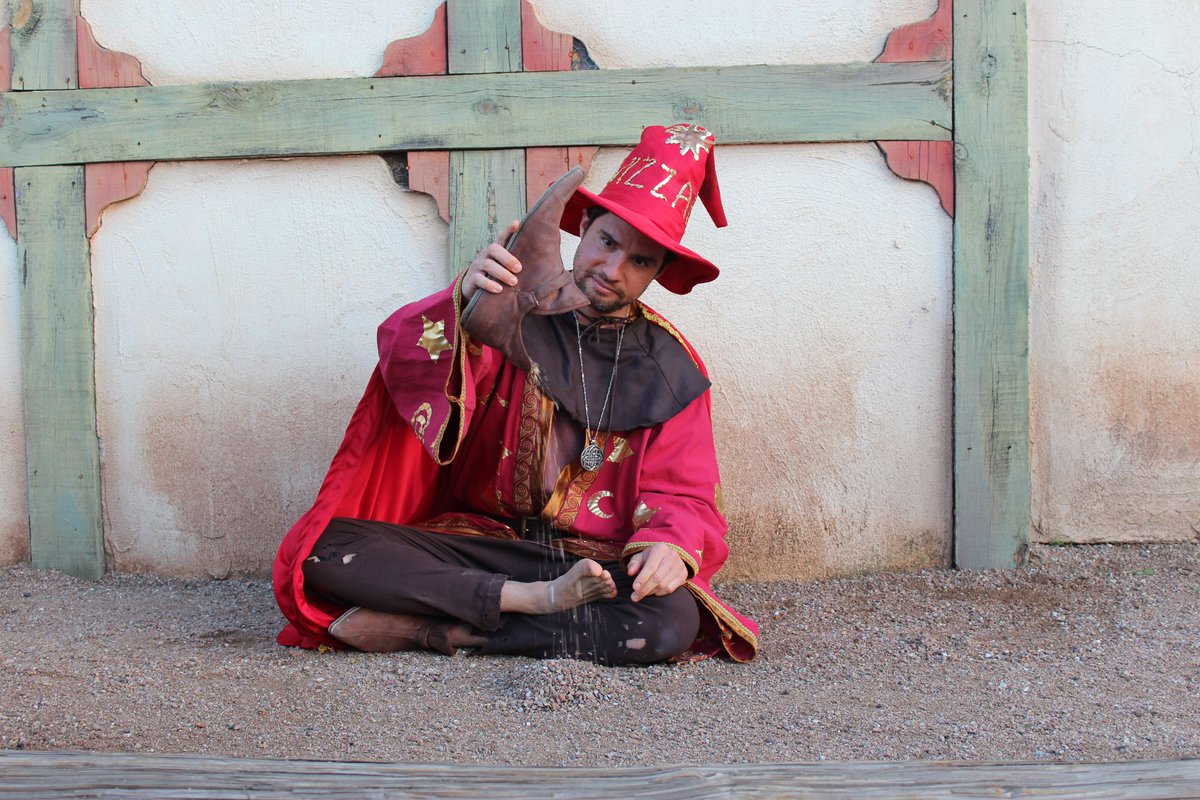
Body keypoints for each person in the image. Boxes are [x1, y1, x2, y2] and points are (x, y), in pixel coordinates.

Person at [273, 123, 758, 664]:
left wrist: (673, 546)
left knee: (670, 621)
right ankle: (526, 605)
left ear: (658, 273)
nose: (612, 269)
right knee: (320, 550)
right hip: (478, 545)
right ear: (585, 228)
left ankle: (438, 631)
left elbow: (687, 494)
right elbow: (403, 359)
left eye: (640, 261)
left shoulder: (674, 369)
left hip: (590, 567)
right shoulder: (511, 309)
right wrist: (462, 301)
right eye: (607, 241)